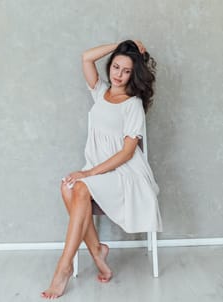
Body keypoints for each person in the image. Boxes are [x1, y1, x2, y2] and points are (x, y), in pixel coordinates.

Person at [41, 39, 163, 299]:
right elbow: (86, 57)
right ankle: (97, 250)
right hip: (98, 170)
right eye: (115, 67)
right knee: (68, 186)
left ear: (134, 74)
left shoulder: (133, 105)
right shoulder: (100, 91)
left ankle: (64, 268)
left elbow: (128, 153)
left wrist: (88, 173)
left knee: (80, 185)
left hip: (126, 173)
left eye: (126, 70)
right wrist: (120, 44)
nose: (118, 75)